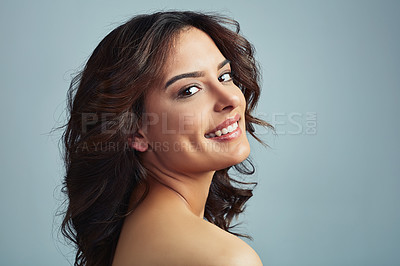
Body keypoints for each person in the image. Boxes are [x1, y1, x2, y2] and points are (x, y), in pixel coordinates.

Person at [61, 11, 273, 266]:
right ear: (135, 131)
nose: (230, 100)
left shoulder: (136, 230)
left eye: (224, 76)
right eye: (189, 90)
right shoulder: (226, 259)